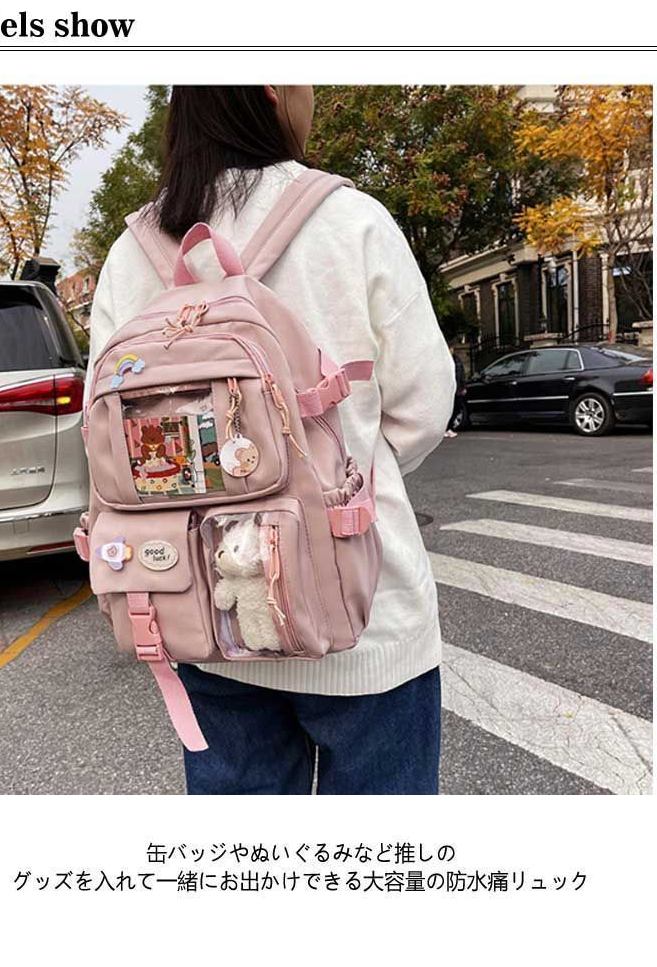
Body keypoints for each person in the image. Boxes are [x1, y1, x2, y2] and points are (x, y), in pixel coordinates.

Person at [87, 86, 455, 795]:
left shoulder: (131, 253)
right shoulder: (350, 221)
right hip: (366, 615)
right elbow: (424, 407)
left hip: (202, 612)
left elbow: (107, 443)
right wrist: (331, 486)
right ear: (270, 85)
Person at [444, 345, 467, 438]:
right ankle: (447, 429)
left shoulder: (457, 360)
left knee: (458, 407)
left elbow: (462, 374)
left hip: (458, 388)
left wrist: (463, 387)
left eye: (452, 348)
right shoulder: (445, 360)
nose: (451, 350)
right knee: (450, 409)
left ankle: (448, 428)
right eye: (449, 348)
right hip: (449, 389)